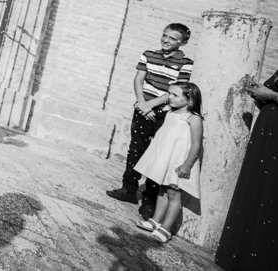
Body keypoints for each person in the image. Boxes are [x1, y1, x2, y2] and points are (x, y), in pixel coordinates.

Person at [106, 23, 194, 218]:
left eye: (172, 38)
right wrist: (142, 103)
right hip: (143, 108)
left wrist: (151, 105)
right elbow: (139, 80)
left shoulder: (186, 63)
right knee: (136, 148)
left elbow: (177, 90)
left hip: (164, 112)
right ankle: (128, 189)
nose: (166, 40)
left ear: (183, 42)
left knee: (158, 155)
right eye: (164, 35)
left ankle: (149, 201)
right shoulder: (148, 54)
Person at [215, 70, 278, 270]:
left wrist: (271, 95)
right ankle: (238, 256)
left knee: (271, 194)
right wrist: (259, 94)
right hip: (267, 130)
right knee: (255, 190)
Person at [133, 82, 203, 243]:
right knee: (162, 190)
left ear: (190, 100)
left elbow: (196, 144)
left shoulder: (194, 119)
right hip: (167, 159)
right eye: (169, 93)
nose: (170, 97)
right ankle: (156, 220)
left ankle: (166, 227)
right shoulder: (171, 113)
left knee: (174, 193)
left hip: (179, 161)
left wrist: (187, 164)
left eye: (175, 95)